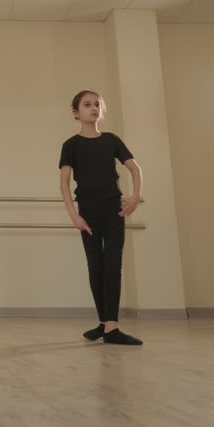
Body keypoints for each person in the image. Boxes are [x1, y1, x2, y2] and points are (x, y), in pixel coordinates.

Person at [59, 90, 144, 346]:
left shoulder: (111, 140)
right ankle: (103, 322)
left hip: (112, 210)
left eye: (97, 105)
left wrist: (135, 197)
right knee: (95, 266)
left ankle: (112, 326)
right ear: (76, 112)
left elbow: (134, 168)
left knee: (112, 265)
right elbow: (63, 183)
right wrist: (74, 216)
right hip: (87, 212)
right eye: (87, 105)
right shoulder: (70, 145)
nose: (93, 108)